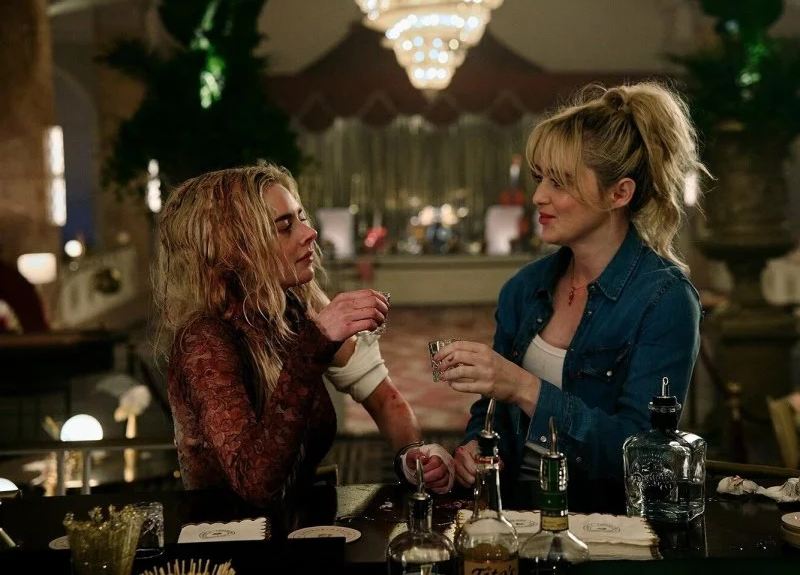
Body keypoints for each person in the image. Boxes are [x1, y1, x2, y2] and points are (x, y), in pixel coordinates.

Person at [433, 82, 706, 487]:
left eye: (559, 182)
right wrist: (477, 448)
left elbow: (644, 458)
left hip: (602, 518)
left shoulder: (665, 299)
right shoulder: (524, 288)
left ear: (619, 193)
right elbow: (492, 413)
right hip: (514, 511)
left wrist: (524, 387)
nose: (538, 196)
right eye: (539, 178)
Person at [155, 165, 453, 505]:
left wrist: (413, 458)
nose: (310, 232)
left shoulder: (292, 308)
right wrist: (315, 343)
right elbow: (256, 485)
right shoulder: (204, 341)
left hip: (298, 525)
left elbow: (385, 399)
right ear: (236, 248)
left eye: (301, 218)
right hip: (230, 536)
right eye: (285, 227)